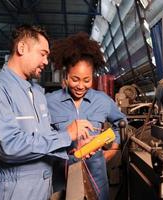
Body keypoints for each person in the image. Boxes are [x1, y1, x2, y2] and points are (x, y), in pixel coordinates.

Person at [0, 25, 93, 200]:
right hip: (15, 190)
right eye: (42, 54)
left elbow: (44, 137)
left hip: (44, 187)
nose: (46, 61)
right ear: (22, 48)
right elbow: (7, 146)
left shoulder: (37, 93)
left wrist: (72, 146)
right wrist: (66, 135)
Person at [46, 32, 126, 200]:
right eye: (75, 79)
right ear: (66, 76)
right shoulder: (49, 102)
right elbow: (41, 136)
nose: (81, 86)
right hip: (61, 172)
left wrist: (114, 148)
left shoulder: (102, 100)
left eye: (87, 80)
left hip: (95, 172)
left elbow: (121, 122)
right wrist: (65, 139)